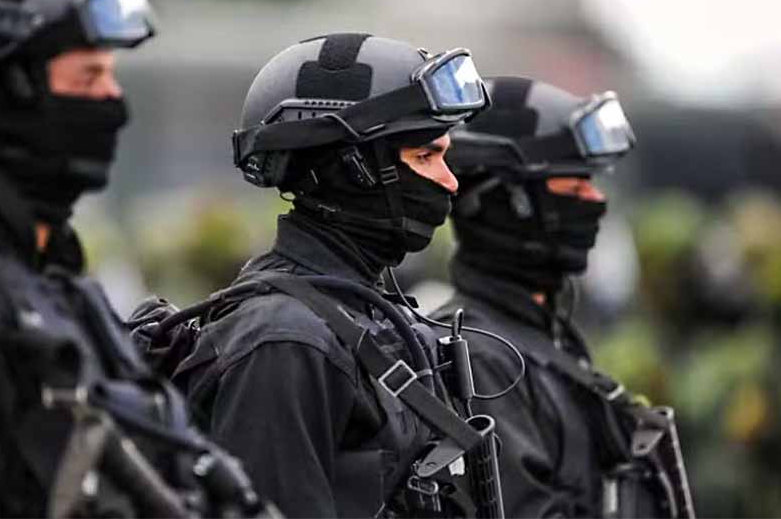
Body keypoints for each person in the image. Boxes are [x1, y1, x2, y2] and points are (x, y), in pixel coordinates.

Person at [0, 0, 268, 517]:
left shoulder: (58, 285)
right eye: (88, 78)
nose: (113, 102)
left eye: (110, 76)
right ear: (6, 97)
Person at [129, 33, 499, 518]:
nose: (450, 181)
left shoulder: (373, 314)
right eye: (425, 156)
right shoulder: (284, 340)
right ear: (353, 168)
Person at [432, 76, 695, 518]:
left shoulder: (547, 340)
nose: (595, 201)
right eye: (573, 189)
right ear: (510, 203)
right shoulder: (477, 357)